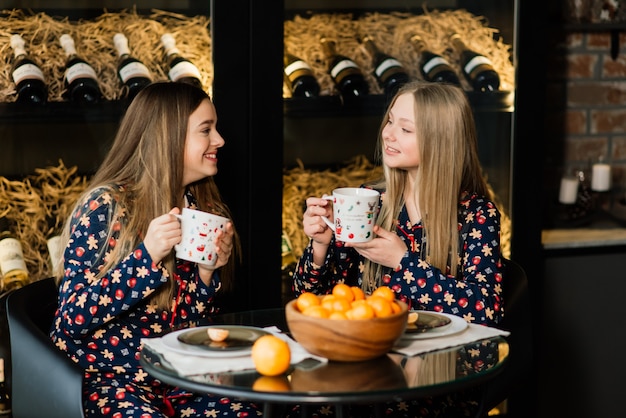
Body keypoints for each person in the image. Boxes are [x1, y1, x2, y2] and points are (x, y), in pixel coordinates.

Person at [50, 81, 262, 417]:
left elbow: (189, 328)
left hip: (178, 380)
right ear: (169, 137)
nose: (220, 140)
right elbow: (71, 320)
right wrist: (146, 257)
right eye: (206, 130)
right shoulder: (107, 207)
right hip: (110, 381)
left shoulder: (202, 207)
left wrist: (207, 274)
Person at [292, 81, 504, 417]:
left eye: (405, 129)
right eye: (390, 121)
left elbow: (486, 313)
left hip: (438, 379)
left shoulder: (477, 216)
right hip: (362, 368)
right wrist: (320, 245)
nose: (388, 134)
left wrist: (402, 262)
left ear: (440, 142)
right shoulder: (370, 202)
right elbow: (311, 299)